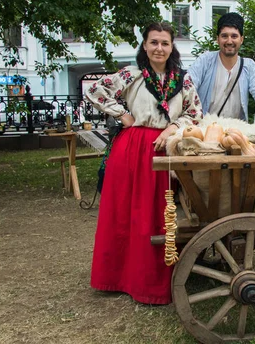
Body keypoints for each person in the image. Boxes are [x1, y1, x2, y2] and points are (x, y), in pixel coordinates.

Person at [85, 21, 203, 304]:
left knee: (157, 214)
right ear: (145, 45)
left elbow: (195, 113)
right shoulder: (132, 74)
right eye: (154, 42)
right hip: (131, 149)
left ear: (172, 46)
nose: (159, 48)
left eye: (164, 43)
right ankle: (117, 278)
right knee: (124, 212)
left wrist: (172, 128)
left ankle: (151, 282)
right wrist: (121, 115)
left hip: (163, 150)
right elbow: (96, 90)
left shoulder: (182, 79)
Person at [188, 12, 255, 126]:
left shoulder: (249, 66)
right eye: (224, 36)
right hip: (205, 130)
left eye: (234, 36)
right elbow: (188, 88)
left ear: (241, 39)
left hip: (236, 133)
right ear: (217, 39)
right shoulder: (205, 61)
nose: (229, 41)